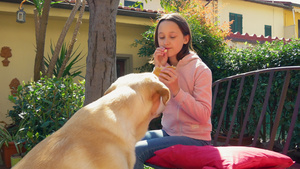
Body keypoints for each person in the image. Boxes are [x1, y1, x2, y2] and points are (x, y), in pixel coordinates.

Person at [134, 13, 212, 169]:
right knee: (124, 141)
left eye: (172, 36)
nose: (166, 42)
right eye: (161, 37)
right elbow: (152, 103)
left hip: (196, 139)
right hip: (169, 133)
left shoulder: (200, 70)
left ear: (185, 39)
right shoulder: (164, 67)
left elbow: (204, 115)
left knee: (134, 151)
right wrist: (157, 69)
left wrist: (177, 91)